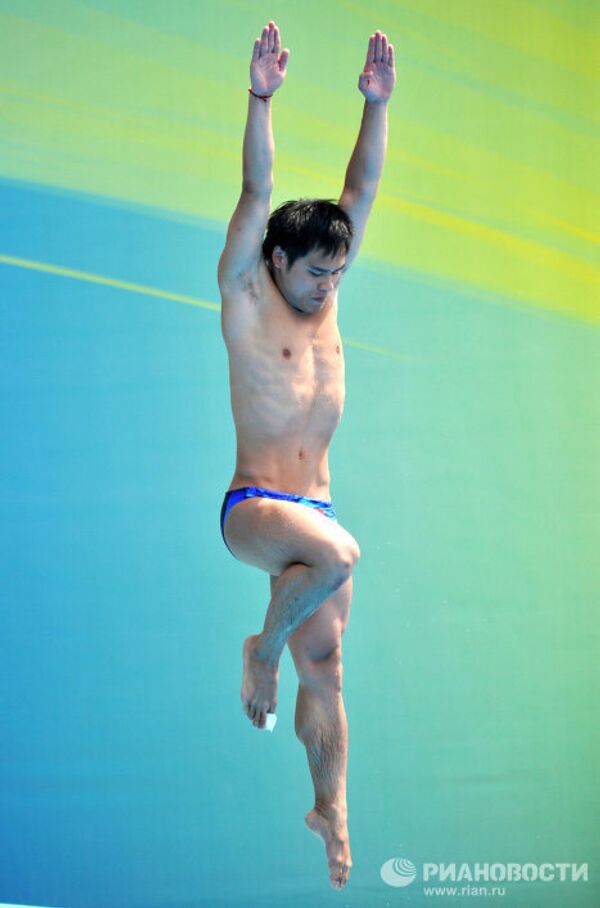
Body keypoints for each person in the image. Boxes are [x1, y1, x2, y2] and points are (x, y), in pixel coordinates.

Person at [217, 19, 395, 890]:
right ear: (277, 262)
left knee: (325, 672)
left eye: (339, 275)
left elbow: (361, 187)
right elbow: (257, 192)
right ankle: (259, 653)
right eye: (316, 273)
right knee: (337, 554)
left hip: (312, 509)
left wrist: (376, 106)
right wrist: (261, 97)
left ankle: (332, 810)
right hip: (254, 509)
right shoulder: (250, 292)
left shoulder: (324, 290)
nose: (329, 287)